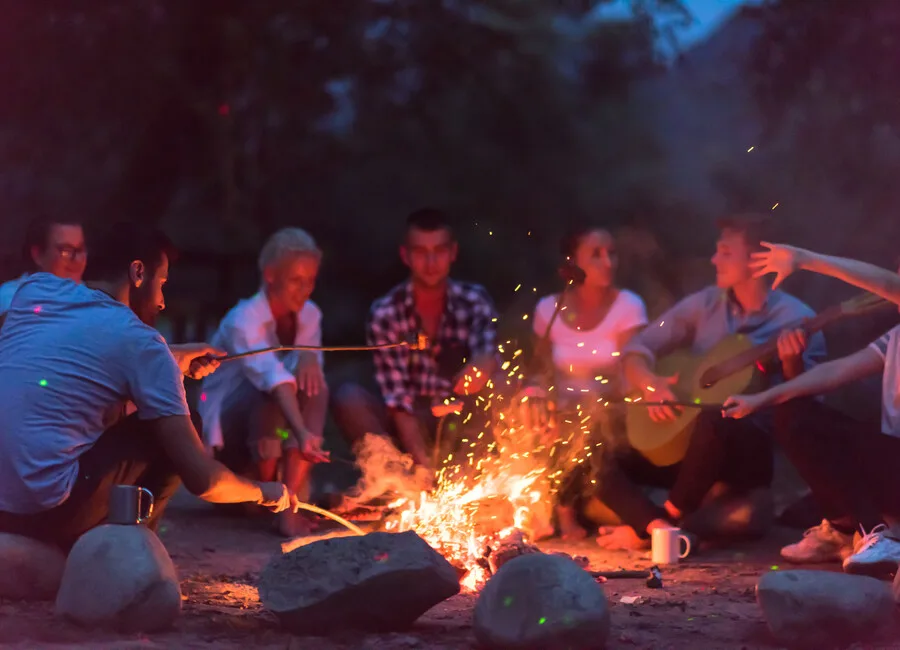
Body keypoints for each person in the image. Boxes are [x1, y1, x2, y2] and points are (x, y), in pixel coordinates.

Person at [0, 222, 298, 551]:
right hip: (51, 511)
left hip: (4, 510)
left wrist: (170, 358)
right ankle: (133, 551)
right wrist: (265, 492)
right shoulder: (140, 343)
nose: (162, 302)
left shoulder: (35, 292)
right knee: (180, 429)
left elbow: (77, 353)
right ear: (138, 272)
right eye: (162, 284)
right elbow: (204, 480)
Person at [592, 214, 827, 550]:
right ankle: (654, 524)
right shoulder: (706, 302)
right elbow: (638, 346)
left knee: (717, 416)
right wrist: (649, 384)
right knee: (594, 441)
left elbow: (807, 415)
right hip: (684, 449)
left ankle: (661, 526)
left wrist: (792, 363)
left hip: (744, 454)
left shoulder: (798, 319)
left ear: (759, 259)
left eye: (726, 252)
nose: (714, 259)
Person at [722, 242, 900, 576]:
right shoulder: (896, 338)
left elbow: (889, 285)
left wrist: (807, 259)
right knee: (794, 414)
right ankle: (846, 529)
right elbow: (832, 372)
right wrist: (762, 398)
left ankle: (879, 536)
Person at [332, 208, 499, 473]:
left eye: (439, 251)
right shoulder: (386, 313)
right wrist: (422, 463)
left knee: (505, 383)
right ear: (405, 256)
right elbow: (398, 401)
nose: (431, 262)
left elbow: (488, 353)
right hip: (411, 422)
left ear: (452, 253)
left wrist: (481, 366)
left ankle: (479, 471)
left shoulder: (474, 301)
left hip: (462, 419)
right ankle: (398, 480)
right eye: (421, 252)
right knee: (348, 398)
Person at [199, 228, 330, 537]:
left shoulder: (310, 315)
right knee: (269, 395)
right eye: (296, 280)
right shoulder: (243, 319)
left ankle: (290, 498)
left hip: (275, 425)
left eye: (310, 280)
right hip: (231, 442)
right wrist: (299, 431)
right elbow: (273, 378)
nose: (305, 290)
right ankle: (272, 501)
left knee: (316, 385)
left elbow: (307, 381)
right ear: (270, 275)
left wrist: (311, 356)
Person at [529, 227, 648, 539]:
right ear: (572, 262)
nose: (607, 262)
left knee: (578, 417)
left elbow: (631, 372)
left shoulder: (628, 306)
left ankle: (565, 513)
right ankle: (539, 505)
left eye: (612, 253)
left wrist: (588, 398)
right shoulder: (548, 309)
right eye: (596, 255)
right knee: (542, 411)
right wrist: (537, 392)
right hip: (560, 414)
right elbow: (538, 370)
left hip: (611, 413)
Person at [0, 215, 87, 323]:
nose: (77, 259)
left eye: (81, 250)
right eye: (66, 251)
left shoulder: (86, 294)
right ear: (38, 255)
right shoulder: (12, 296)